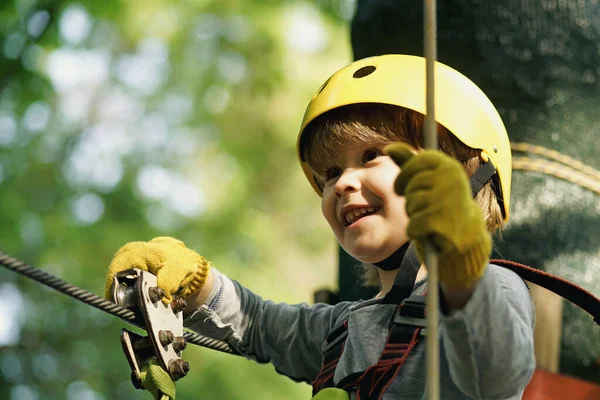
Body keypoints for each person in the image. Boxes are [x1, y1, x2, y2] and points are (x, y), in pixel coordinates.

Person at [105, 54, 536, 399]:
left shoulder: (487, 289)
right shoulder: (342, 329)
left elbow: (497, 374)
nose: (343, 182)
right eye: (329, 173)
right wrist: (195, 283)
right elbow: (258, 325)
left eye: (371, 156)